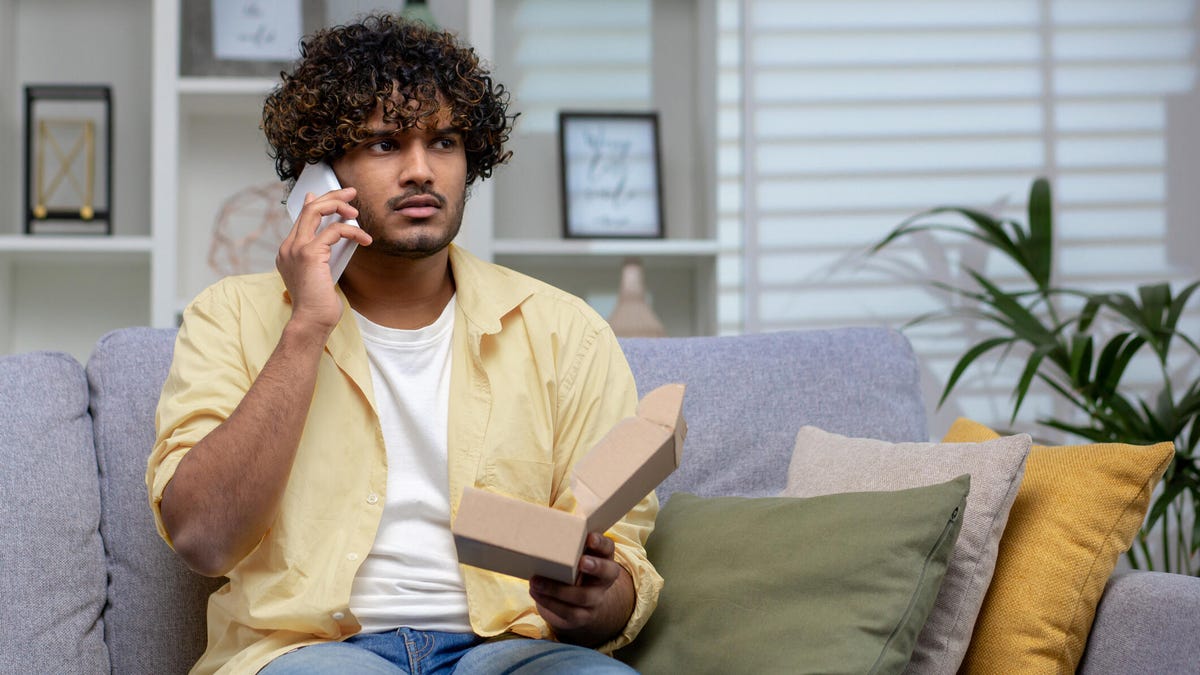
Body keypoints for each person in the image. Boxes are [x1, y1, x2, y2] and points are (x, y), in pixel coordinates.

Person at [147, 14, 661, 675]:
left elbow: (623, 562)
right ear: (321, 173)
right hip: (313, 653)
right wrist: (306, 325)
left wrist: (602, 599)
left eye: (444, 142)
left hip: (516, 651)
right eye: (386, 143)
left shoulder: (567, 332)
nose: (421, 170)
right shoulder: (232, 318)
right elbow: (203, 537)